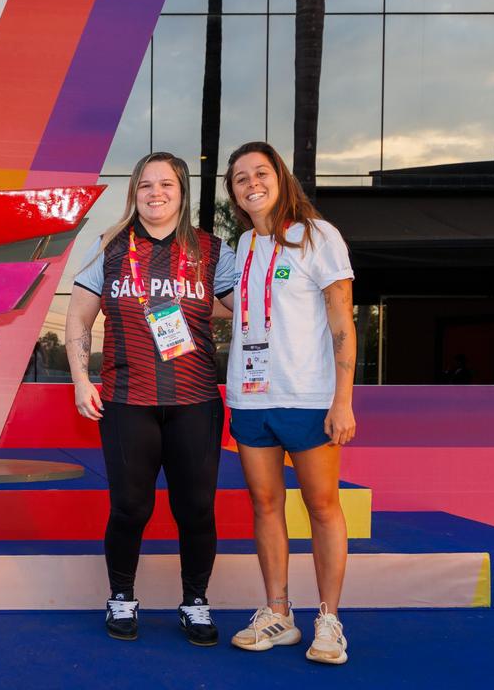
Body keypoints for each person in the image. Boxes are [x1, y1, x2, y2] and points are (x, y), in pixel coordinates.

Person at [65, 152, 236, 646]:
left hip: (196, 399)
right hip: (126, 399)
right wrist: (80, 380)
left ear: (182, 192)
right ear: (133, 192)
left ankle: (195, 602)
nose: (155, 192)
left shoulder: (210, 249)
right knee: (130, 508)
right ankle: (121, 597)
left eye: (166, 184)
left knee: (197, 508)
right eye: (145, 185)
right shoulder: (109, 247)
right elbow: (77, 321)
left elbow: (237, 308)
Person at [222, 142, 356, 665]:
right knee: (265, 505)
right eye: (239, 178)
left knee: (322, 507)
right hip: (251, 398)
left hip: (308, 398)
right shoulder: (243, 245)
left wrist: (342, 401)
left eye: (260, 172)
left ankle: (329, 621)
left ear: (280, 177)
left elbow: (342, 323)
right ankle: (278, 614)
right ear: (233, 193)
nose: (251, 182)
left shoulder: (318, 236)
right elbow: (238, 309)